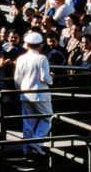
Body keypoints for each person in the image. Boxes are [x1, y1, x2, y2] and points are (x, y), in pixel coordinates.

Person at [13, 31, 53, 159]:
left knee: (28, 122)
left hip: (25, 94)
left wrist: (21, 91)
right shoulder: (42, 58)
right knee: (48, 118)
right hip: (40, 94)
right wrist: (51, 78)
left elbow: (17, 79)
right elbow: (44, 78)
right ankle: (36, 142)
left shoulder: (20, 59)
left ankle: (27, 149)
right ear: (40, 45)